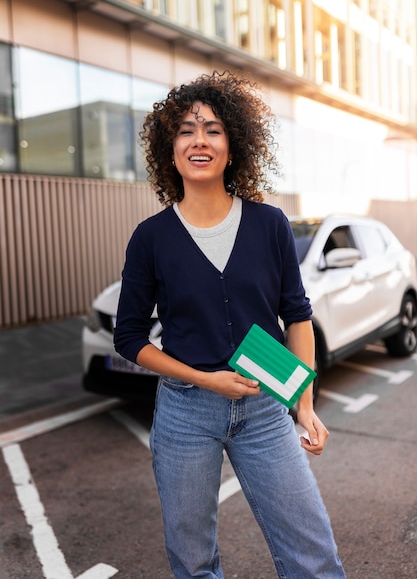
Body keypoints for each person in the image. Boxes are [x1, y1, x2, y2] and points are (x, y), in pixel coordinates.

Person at [114, 71, 346, 579]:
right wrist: (204, 379)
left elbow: (298, 316)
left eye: (213, 129)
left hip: (265, 406)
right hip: (185, 412)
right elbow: (129, 338)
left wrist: (302, 404)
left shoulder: (269, 224)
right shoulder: (150, 237)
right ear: (169, 149)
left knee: (315, 557)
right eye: (186, 130)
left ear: (233, 144)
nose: (200, 140)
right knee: (194, 562)